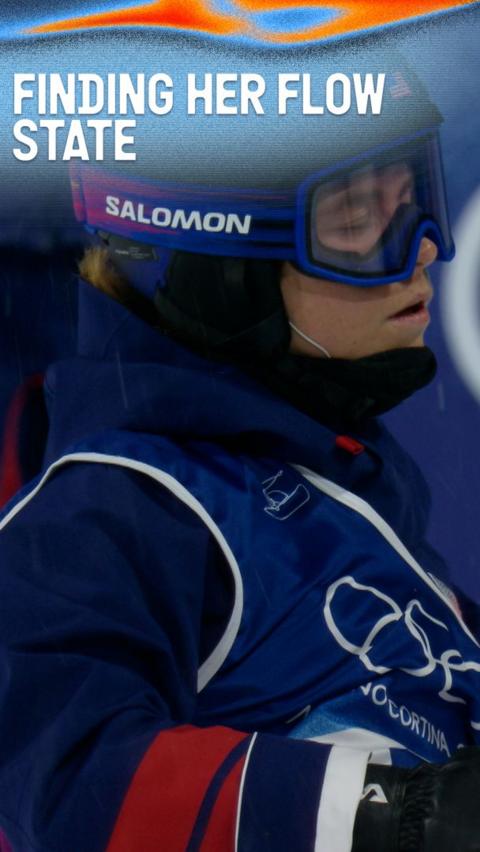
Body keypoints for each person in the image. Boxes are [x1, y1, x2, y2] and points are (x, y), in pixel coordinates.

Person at [2, 50, 480, 852]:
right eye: (361, 220)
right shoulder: (118, 505)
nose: (427, 248)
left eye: (419, 199)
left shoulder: (353, 510)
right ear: (221, 267)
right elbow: (59, 771)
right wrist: (391, 814)